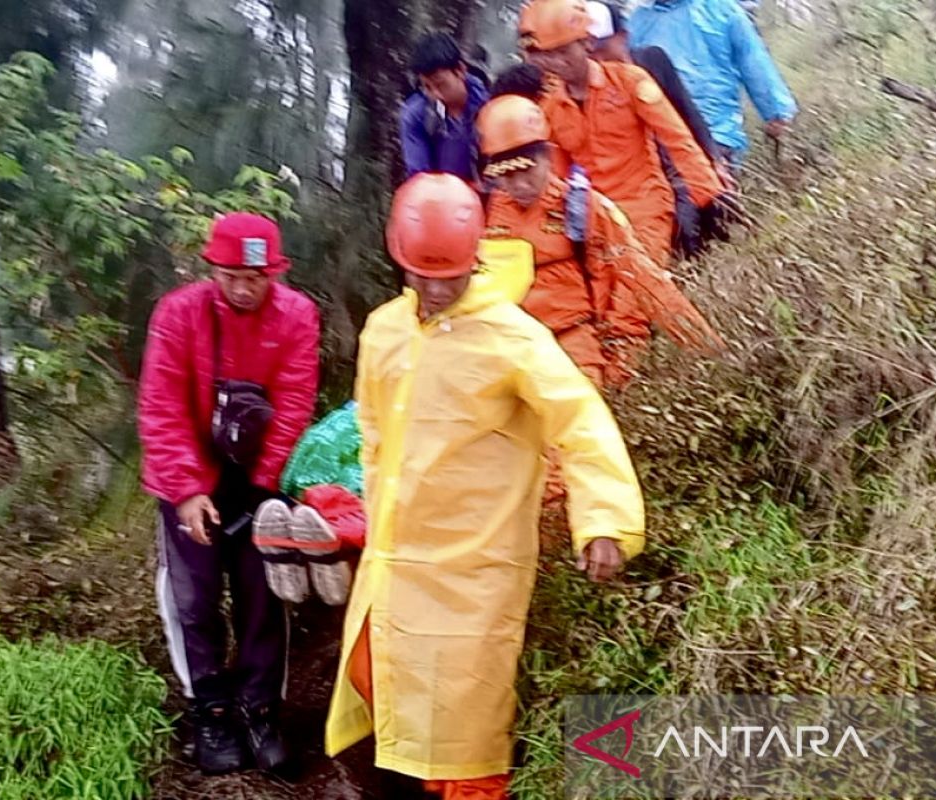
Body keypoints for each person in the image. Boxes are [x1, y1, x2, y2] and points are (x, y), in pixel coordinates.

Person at [324, 173, 647, 800]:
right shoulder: (384, 330)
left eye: (450, 275)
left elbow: (580, 422)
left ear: (475, 260)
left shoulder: (514, 337)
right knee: (382, 689)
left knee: (466, 731)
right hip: (395, 561)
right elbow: (371, 427)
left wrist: (604, 519)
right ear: (400, 260)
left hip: (477, 568)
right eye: (423, 274)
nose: (437, 288)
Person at [138, 212, 320, 776]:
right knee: (193, 601)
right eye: (232, 275)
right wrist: (189, 490)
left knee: (263, 599)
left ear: (275, 273)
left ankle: (261, 708)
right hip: (187, 477)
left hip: (259, 479)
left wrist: (264, 486)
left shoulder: (297, 316)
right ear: (212, 268)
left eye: (256, 277)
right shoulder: (179, 313)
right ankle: (210, 709)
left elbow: (293, 404)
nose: (243, 288)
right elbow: (160, 406)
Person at [478, 92, 724, 390]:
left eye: (527, 170)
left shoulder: (583, 206)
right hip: (513, 351)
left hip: (577, 344)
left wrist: (710, 350)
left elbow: (645, 278)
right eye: (507, 175)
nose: (519, 185)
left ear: (547, 155)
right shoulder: (487, 216)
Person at [518, 0, 725, 266]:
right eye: (547, 54)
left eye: (563, 50)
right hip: (597, 222)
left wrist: (708, 200)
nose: (556, 62)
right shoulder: (549, 109)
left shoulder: (630, 82)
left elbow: (678, 140)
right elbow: (557, 179)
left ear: (587, 43)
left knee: (639, 286)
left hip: (647, 209)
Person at [586, 1, 736, 256]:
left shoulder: (652, 60)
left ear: (622, 37)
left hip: (680, 166)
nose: (595, 57)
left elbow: (688, 112)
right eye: (588, 51)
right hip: (643, 184)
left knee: (719, 221)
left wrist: (715, 161)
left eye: (600, 47)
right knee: (680, 240)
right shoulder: (591, 90)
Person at [627, 0, 799, 164]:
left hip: (713, 135)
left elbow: (752, 60)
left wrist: (776, 112)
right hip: (665, 138)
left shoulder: (720, 9)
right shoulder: (638, 19)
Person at [399, 32, 491, 182]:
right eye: (427, 87)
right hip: (443, 196)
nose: (436, 95)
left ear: (460, 70)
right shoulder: (415, 115)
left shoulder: (491, 102)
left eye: (441, 85)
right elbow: (419, 178)